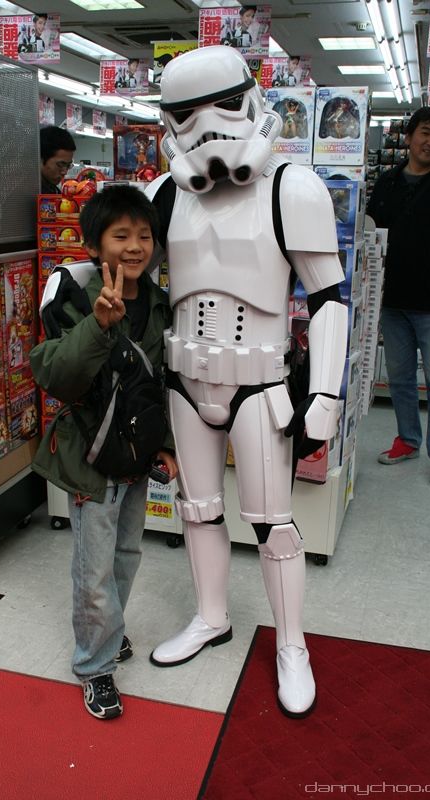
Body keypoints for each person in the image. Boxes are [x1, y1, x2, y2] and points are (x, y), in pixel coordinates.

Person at [145, 46, 347, 718]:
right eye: (186, 114)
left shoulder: (293, 188)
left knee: (273, 525)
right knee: (197, 509)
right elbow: (134, 276)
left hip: (260, 383)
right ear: (168, 121)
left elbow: (328, 298)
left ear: (253, 101)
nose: (207, 126)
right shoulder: (163, 194)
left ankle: (292, 644)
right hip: (184, 378)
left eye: (224, 105)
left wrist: (325, 395)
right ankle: (211, 616)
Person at [30, 186, 178, 719]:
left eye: (145, 235)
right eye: (121, 236)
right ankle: (94, 666)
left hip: (136, 456)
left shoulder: (158, 302)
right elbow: (56, 374)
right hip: (92, 459)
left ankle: (108, 632)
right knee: (93, 569)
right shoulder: (73, 296)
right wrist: (98, 325)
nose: (135, 246)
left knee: (127, 555)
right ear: (94, 245)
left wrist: (165, 445)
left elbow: (160, 383)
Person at [367, 107, 430, 486]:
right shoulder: (388, 183)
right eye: (425, 133)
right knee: (399, 378)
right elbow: (371, 237)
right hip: (392, 300)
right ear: (408, 137)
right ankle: (408, 440)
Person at [39, 125, 76, 194]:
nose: (64, 172)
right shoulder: (26, 193)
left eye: (68, 165)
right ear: (41, 159)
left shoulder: (54, 191)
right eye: (60, 164)